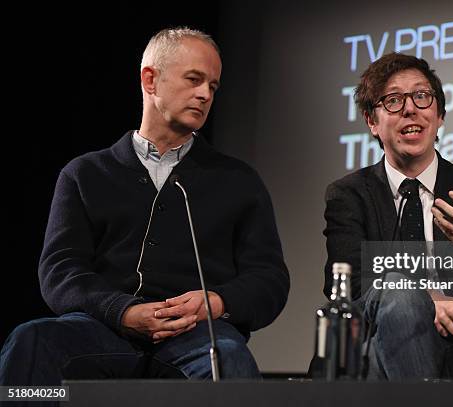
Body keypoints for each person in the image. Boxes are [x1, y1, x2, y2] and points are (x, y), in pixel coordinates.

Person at [0, 27, 289, 384]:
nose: (205, 95)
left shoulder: (238, 181)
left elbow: (269, 279)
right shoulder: (85, 174)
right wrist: (123, 311)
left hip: (197, 335)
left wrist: (216, 301)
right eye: (194, 79)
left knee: (227, 358)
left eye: (212, 86)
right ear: (150, 80)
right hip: (102, 328)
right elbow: (61, 270)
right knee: (33, 340)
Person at [323, 53, 453, 379]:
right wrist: (427, 302)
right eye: (393, 100)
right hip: (382, 337)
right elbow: (346, 285)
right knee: (398, 297)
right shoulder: (349, 195)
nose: (410, 109)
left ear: (439, 114)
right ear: (371, 121)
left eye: (421, 96)